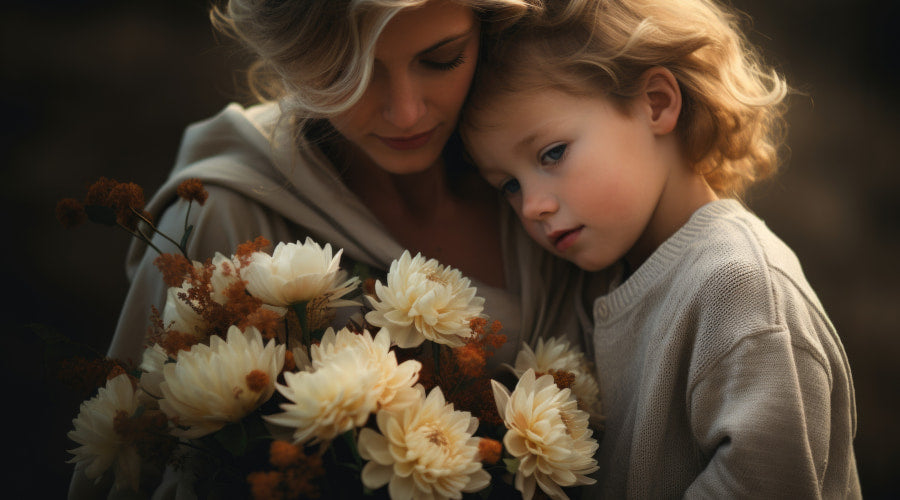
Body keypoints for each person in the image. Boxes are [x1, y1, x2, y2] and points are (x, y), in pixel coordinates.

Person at [70, 0, 598, 498]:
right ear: (291, 58)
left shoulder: (551, 164)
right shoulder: (225, 211)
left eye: (442, 60)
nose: (407, 112)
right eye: (352, 74)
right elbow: (139, 467)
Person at [461, 0, 861, 497]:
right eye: (509, 186)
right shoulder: (597, 278)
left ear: (655, 103)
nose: (532, 207)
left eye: (552, 154)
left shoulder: (742, 287)